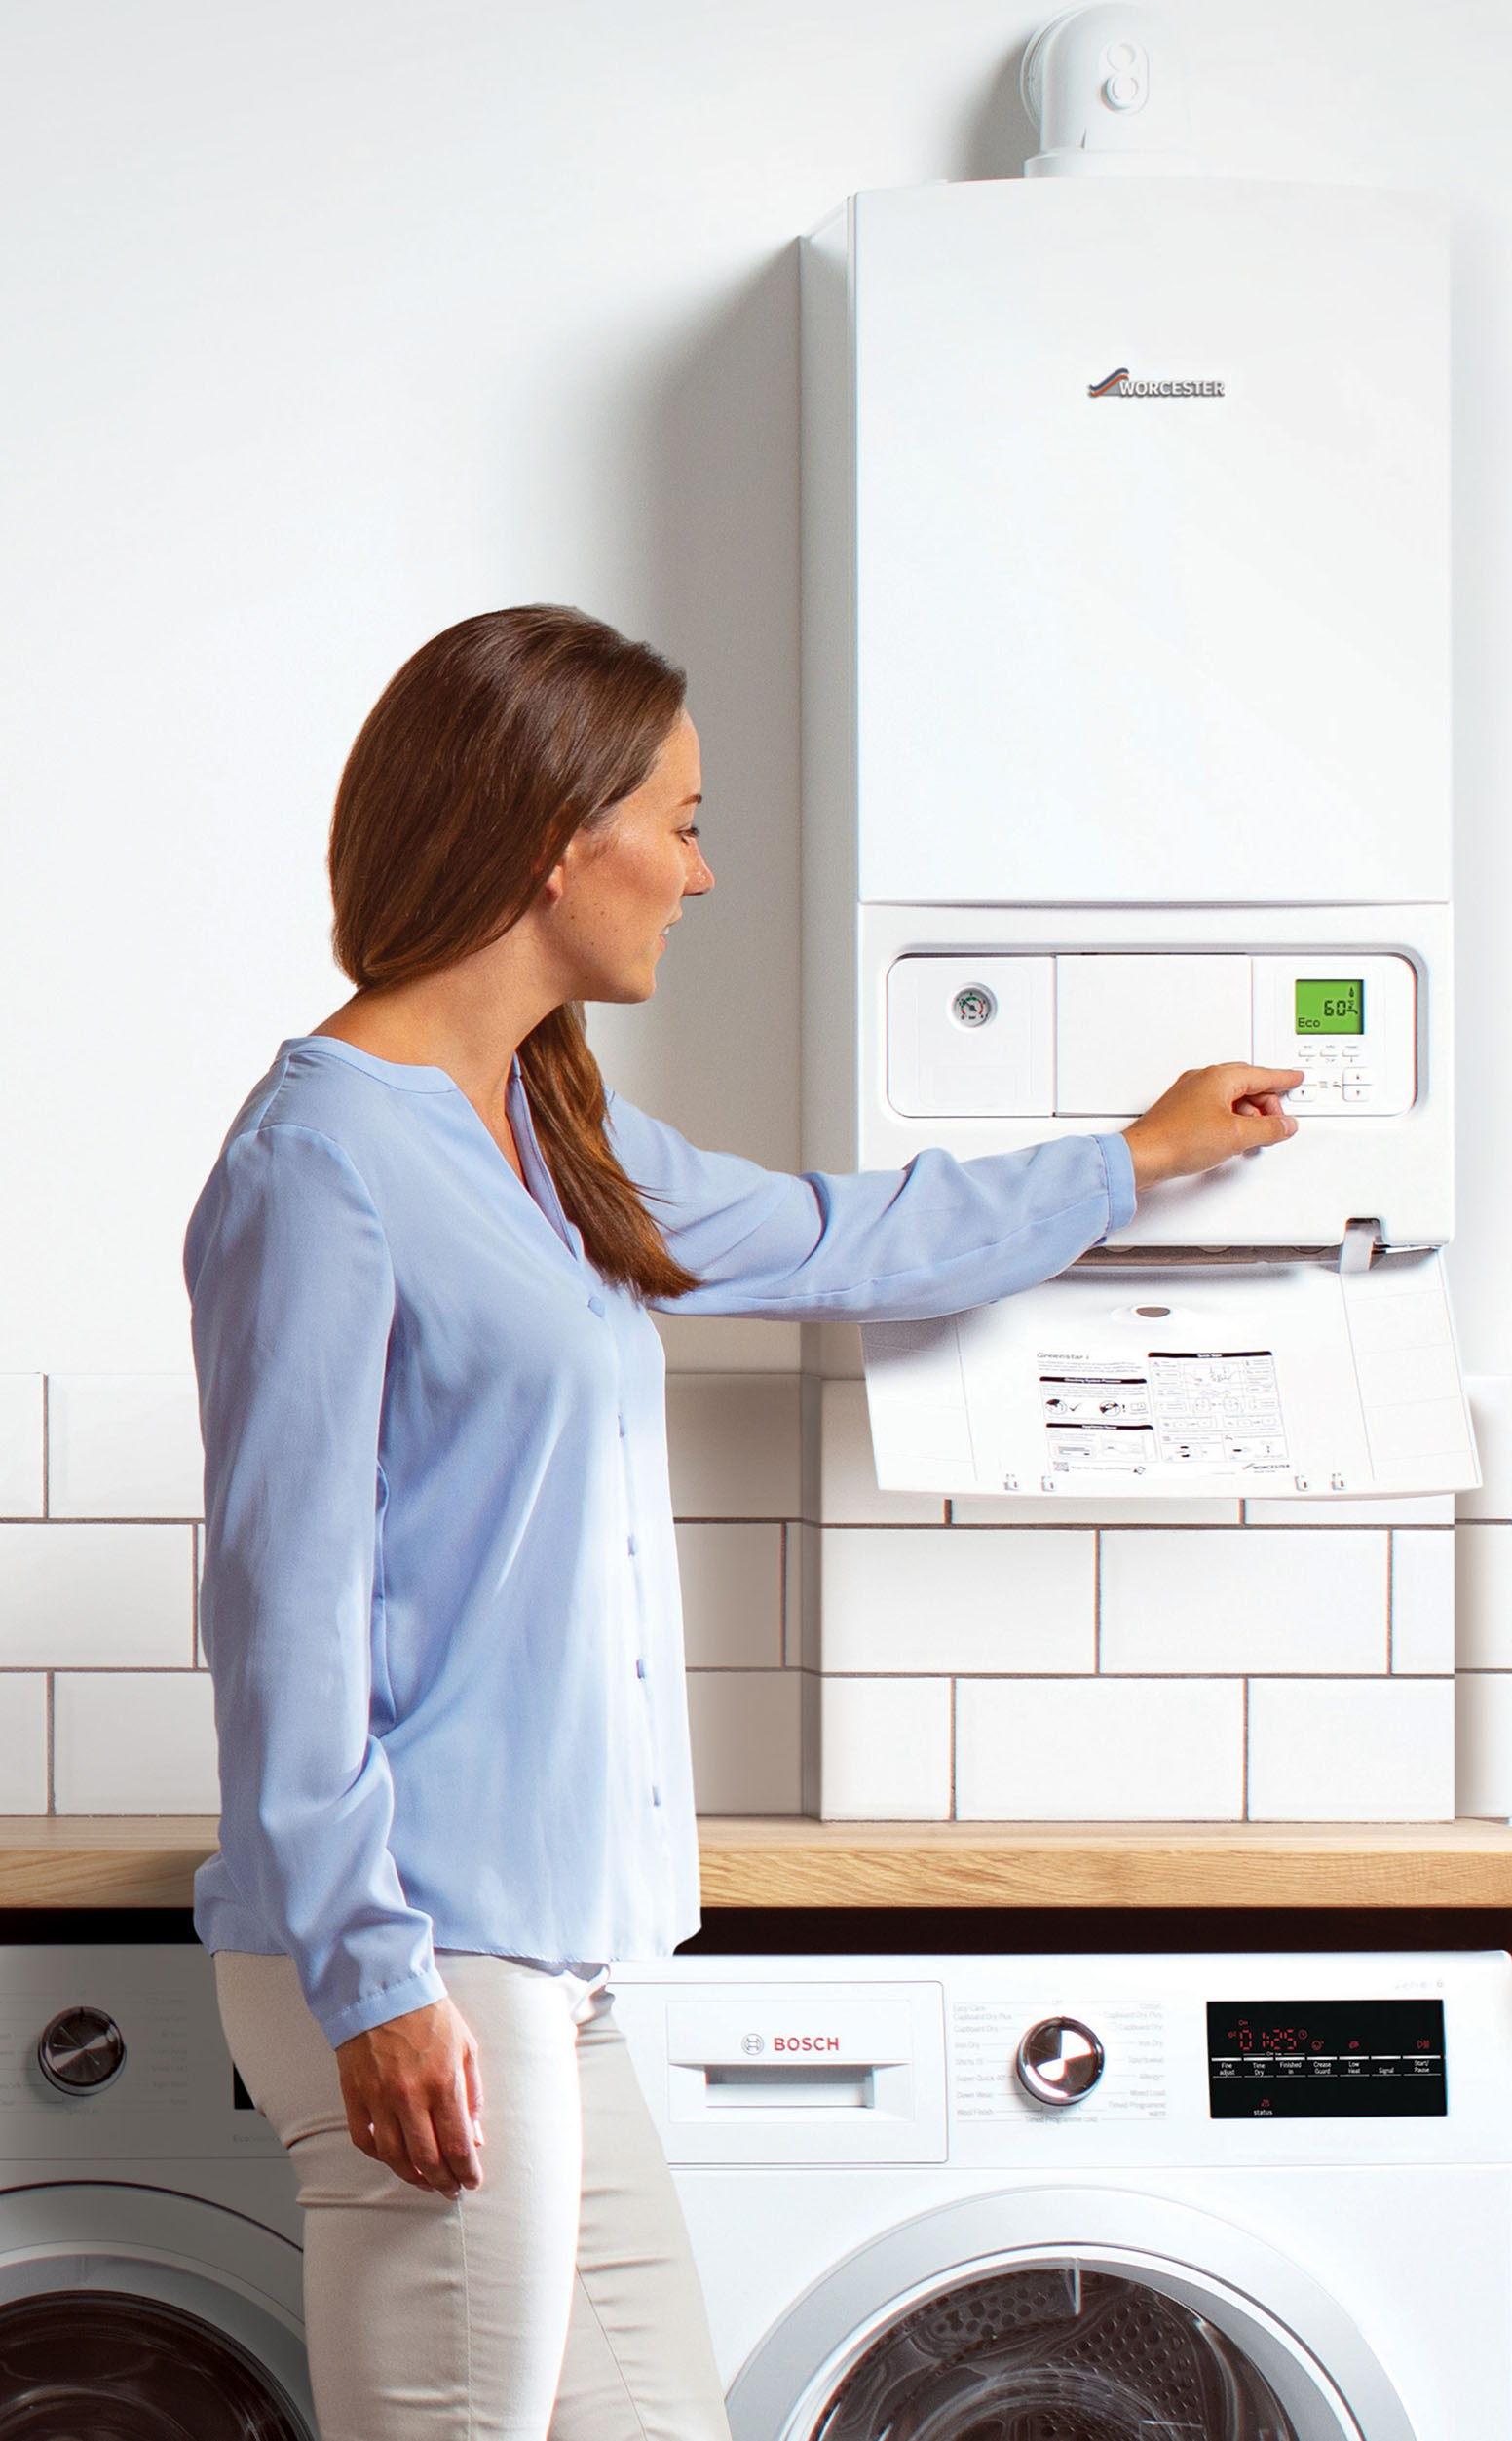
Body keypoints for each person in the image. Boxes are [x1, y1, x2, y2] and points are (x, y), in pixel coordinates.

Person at [186, 605, 1301, 2441]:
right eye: (682, 821)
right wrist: (370, 1975)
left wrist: (1139, 1155)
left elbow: (837, 1233)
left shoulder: (552, 1132)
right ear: (559, 834)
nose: (699, 874)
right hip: (419, 1948)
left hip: (547, 1956)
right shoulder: (323, 1158)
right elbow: (278, 1608)